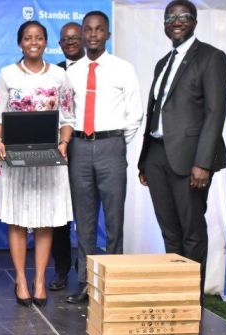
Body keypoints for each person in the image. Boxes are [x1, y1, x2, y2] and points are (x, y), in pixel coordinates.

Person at [138, 0, 226, 301]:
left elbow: (215, 112)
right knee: (170, 231)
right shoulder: (162, 62)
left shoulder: (211, 57)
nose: (176, 22)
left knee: (191, 231)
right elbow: (158, 110)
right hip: (157, 155)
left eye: (182, 16)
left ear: (194, 21)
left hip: (190, 159)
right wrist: (144, 161)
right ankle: (175, 293)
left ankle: (192, 300)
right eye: (170, 18)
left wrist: (203, 163)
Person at [0, 20, 75, 308]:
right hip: (13, 158)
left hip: (48, 160)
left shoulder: (61, 76)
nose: (33, 42)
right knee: (16, 220)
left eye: (39, 37)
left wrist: (63, 144)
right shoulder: (7, 74)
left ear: (46, 42)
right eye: (28, 38)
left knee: (44, 221)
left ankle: (39, 279)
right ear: (20, 43)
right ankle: (21, 280)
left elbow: (67, 118)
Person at [66, 10, 143, 304]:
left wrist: (115, 143)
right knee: (84, 222)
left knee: (113, 220)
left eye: (99, 29)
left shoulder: (123, 68)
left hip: (112, 145)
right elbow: (66, 113)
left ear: (107, 34)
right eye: (88, 29)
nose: (93, 34)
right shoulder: (70, 72)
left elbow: (134, 113)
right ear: (82, 35)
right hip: (79, 148)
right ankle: (86, 283)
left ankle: (113, 284)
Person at [50, 21, 85, 292]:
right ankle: (61, 269)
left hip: (88, 145)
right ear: (60, 44)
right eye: (66, 39)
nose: (71, 42)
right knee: (60, 215)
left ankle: (86, 269)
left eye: (76, 37)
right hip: (59, 148)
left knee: (86, 212)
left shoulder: (102, 69)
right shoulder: (53, 72)